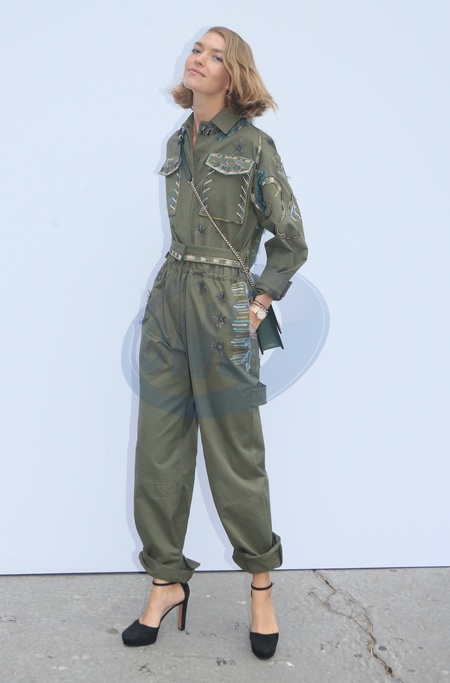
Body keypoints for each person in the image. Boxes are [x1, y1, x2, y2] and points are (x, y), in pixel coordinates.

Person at [122, 26, 308, 659]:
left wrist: (258, 303)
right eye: (197, 50)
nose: (198, 59)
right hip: (169, 300)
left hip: (224, 305)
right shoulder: (179, 139)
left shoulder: (255, 146)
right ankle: (165, 583)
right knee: (159, 452)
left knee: (235, 456)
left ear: (235, 75)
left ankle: (261, 587)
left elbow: (291, 239)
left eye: (215, 55)